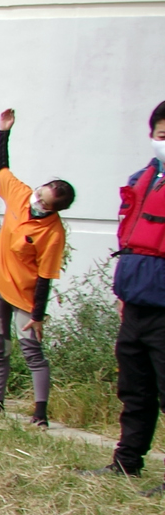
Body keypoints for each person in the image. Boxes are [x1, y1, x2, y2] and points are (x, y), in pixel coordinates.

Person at [0, 108, 72, 430]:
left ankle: (40, 413)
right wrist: (3, 132)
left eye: (44, 202)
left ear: (53, 209)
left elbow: (46, 277)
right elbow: (1, 170)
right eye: (39, 193)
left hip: (24, 296)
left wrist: (37, 315)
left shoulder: (54, 233)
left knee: (32, 352)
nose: (36, 200)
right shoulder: (21, 196)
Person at [94, 100, 165, 485]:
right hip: (136, 302)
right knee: (135, 391)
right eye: (162, 134)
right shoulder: (144, 177)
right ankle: (126, 462)